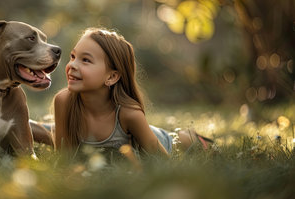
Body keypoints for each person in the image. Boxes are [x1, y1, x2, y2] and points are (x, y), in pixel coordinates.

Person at [30, 28, 212, 156]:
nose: (72, 66)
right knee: (45, 132)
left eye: (85, 60)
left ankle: (200, 140)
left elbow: (161, 162)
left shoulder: (128, 114)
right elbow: (65, 158)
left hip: (163, 141)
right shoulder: (63, 100)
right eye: (73, 56)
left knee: (185, 141)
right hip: (85, 136)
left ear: (111, 77)